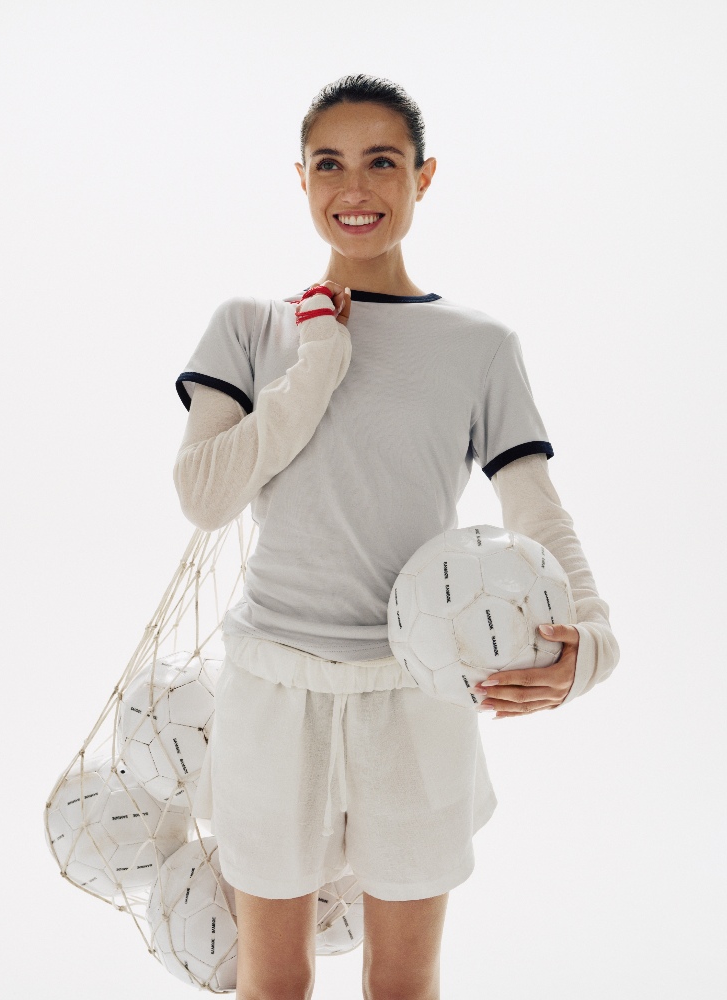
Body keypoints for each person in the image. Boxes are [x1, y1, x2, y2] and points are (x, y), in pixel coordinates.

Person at [172, 74, 619, 1000]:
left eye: (382, 162)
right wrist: (317, 361)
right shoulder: (251, 327)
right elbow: (206, 497)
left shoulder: (479, 345)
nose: (355, 189)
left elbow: (534, 505)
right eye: (329, 164)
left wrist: (595, 636)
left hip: (416, 690)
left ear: (424, 176)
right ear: (300, 178)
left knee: (404, 980)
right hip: (272, 686)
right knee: (273, 979)